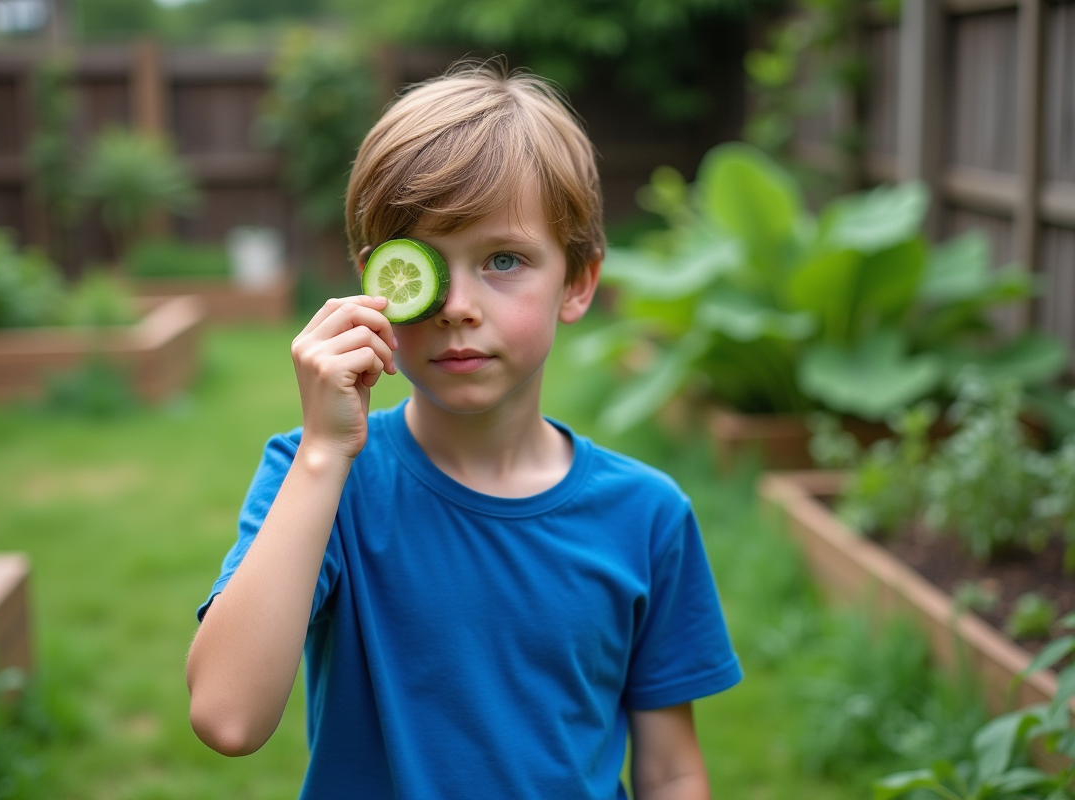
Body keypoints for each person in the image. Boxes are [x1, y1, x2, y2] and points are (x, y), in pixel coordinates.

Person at [185, 61, 742, 800]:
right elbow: (227, 717)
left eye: (503, 260)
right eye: (424, 267)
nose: (457, 307)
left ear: (577, 282)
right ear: (376, 284)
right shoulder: (318, 481)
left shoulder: (647, 516)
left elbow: (671, 768)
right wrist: (323, 455)